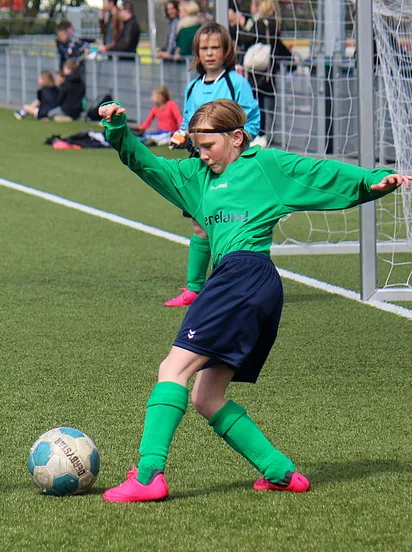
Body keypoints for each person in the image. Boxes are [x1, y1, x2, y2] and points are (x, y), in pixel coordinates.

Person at [98, 98, 409, 503]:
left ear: (237, 137)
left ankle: (148, 476)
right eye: (197, 146)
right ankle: (280, 472)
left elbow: (318, 173)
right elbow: (146, 164)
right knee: (206, 397)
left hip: (244, 275)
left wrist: (372, 180)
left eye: (209, 145)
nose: (202, 154)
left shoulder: (265, 166)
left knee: (172, 368)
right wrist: (119, 131)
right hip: (253, 286)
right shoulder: (195, 178)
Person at [165, 22, 260, 307]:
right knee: (199, 224)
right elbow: (187, 123)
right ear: (196, 52)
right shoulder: (193, 86)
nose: (210, 54)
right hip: (199, 163)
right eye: (204, 48)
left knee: (232, 224)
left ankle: (234, 285)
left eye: (215, 47)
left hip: (231, 166)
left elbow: (252, 122)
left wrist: (236, 145)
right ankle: (194, 288)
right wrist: (182, 137)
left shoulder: (236, 83)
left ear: (226, 50)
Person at [230, 0, 285, 148]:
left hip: (259, 70)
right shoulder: (274, 23)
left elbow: (246, 38)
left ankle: (260, 134)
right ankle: (264, 134)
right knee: (267, 101)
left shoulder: (261, 23)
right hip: (269, 68)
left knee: (258, 102)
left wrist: (237, 26)